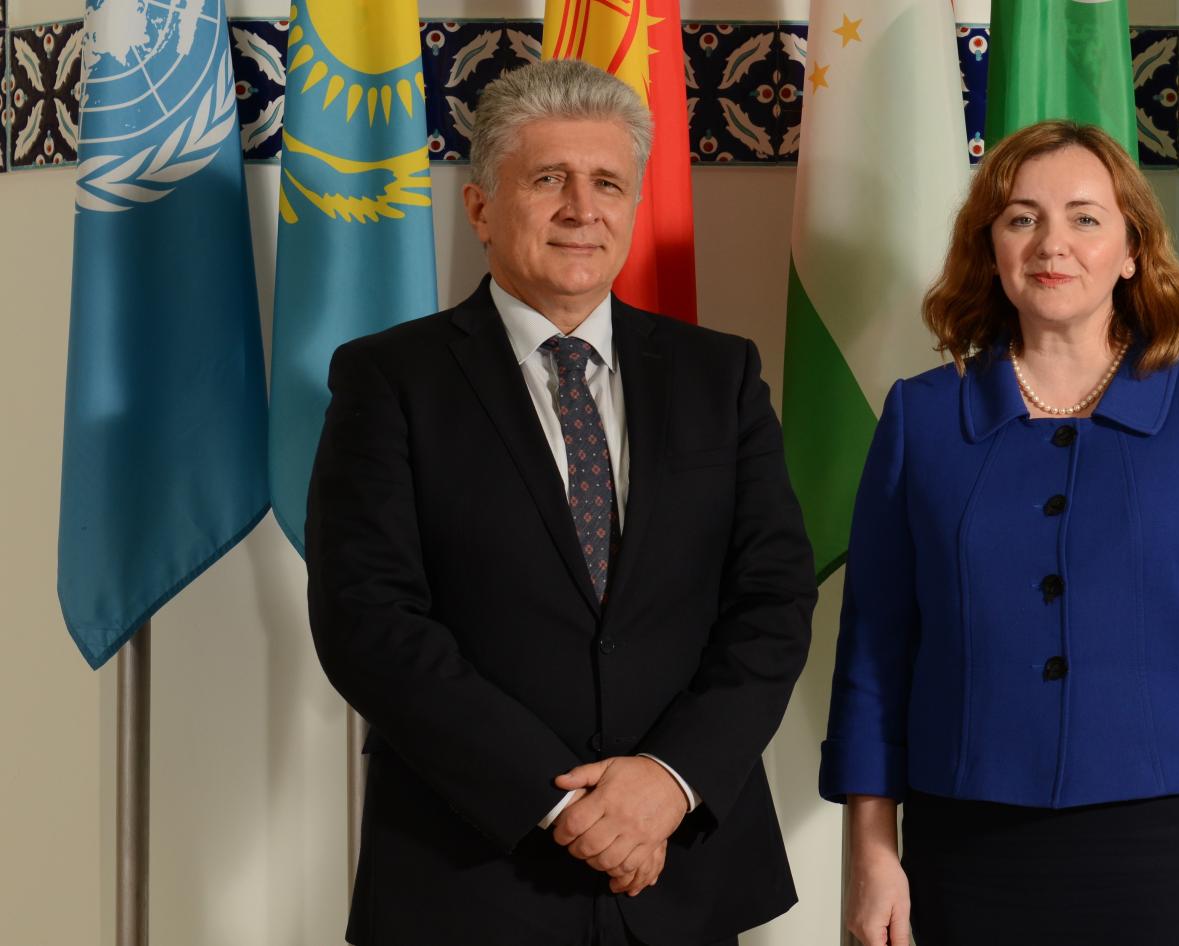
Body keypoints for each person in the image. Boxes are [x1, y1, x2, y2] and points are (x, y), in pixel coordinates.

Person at [306, 58, 816, 946]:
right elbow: (368, 620)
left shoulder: (720, 376)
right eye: (549, 179)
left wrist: (668, 780)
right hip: (469, 876)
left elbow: (772, 600)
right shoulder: (389, 379)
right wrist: (563, 806)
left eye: (608, 183)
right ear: (480, 208)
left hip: (682, 867)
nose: (583, 208)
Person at [819, 120, 1179, 946]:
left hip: (1170, 849)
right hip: (964, 849)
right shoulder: (920, 417)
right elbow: (873, 659)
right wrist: (871, 856)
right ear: (991, 250)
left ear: (1132, 251)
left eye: (1085, 218)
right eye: (1022, 218)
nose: (1053, 244)